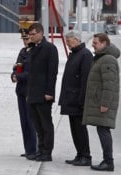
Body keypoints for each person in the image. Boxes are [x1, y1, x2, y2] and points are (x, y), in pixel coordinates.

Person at [82, 33, 120, 172]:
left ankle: (108, 162)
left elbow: (109, 85)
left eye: (96, 43)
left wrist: (105, 104)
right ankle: (107, 160)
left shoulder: (108, 60)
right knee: (102, 130)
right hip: (99, 101)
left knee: (104, 131)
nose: (93, 45)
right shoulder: (101, 58)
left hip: (103, 103)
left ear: (104, 43)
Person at [58, 31, 93, 166]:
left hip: (78, 100)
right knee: (75, 129)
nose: (67, 43)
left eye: (69, 41)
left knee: (80, 129)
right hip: (70, 99)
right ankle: (79, 154)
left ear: (77, 39)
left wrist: (82, 100)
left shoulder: (85, 55)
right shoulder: (75, 54)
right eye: (66, 41)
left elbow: (85, 80)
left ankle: (86, 156)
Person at [26, 23, 59, 161]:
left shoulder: (49, 48)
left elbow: (52, 72)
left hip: (43, 93)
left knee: (45, 124)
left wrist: (49, 92)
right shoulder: (33, 49)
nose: (30, 37)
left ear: (40, 33)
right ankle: (40, 149)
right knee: (37, 124)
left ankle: (47, 151)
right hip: (33, 93)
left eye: (33, 34)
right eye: (30, 34)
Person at [11, 28, 37, 160]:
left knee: (31, 121)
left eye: (27, 39)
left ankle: (34, 149)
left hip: (30, 90)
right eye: (24, 39)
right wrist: (13, 75)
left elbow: (33, 72)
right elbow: (16, 67)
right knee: (24, 121)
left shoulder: (35, 52)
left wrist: (19, 76)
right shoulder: (22, 51)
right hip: (21, 90)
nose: (25, 42)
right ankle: (28, 149)